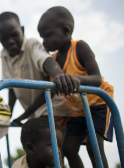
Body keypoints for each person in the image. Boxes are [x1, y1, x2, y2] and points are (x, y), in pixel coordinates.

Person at [37, 6, 114, 168]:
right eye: (41, 37)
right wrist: (26, 114)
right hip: (78, 112)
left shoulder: (79, 47)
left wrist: (77, 79)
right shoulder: (54, 60)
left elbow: (97, 79)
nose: (44, 41)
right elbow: (49, 93)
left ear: (66, 31)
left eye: (48, 35)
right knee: (68, 148)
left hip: (99, 104)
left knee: (94, 147)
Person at [0, 12, 77, 134]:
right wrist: (8, 114)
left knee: (42, 141)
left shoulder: (31, 44)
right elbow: (11, 88)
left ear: (22, 30)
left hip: (51, 108)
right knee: (34, 141)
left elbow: (45, 59)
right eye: (4, 39)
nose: (10, 41)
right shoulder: (4, 54)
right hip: (34, 114)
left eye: (14, 35)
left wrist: (58, 74)